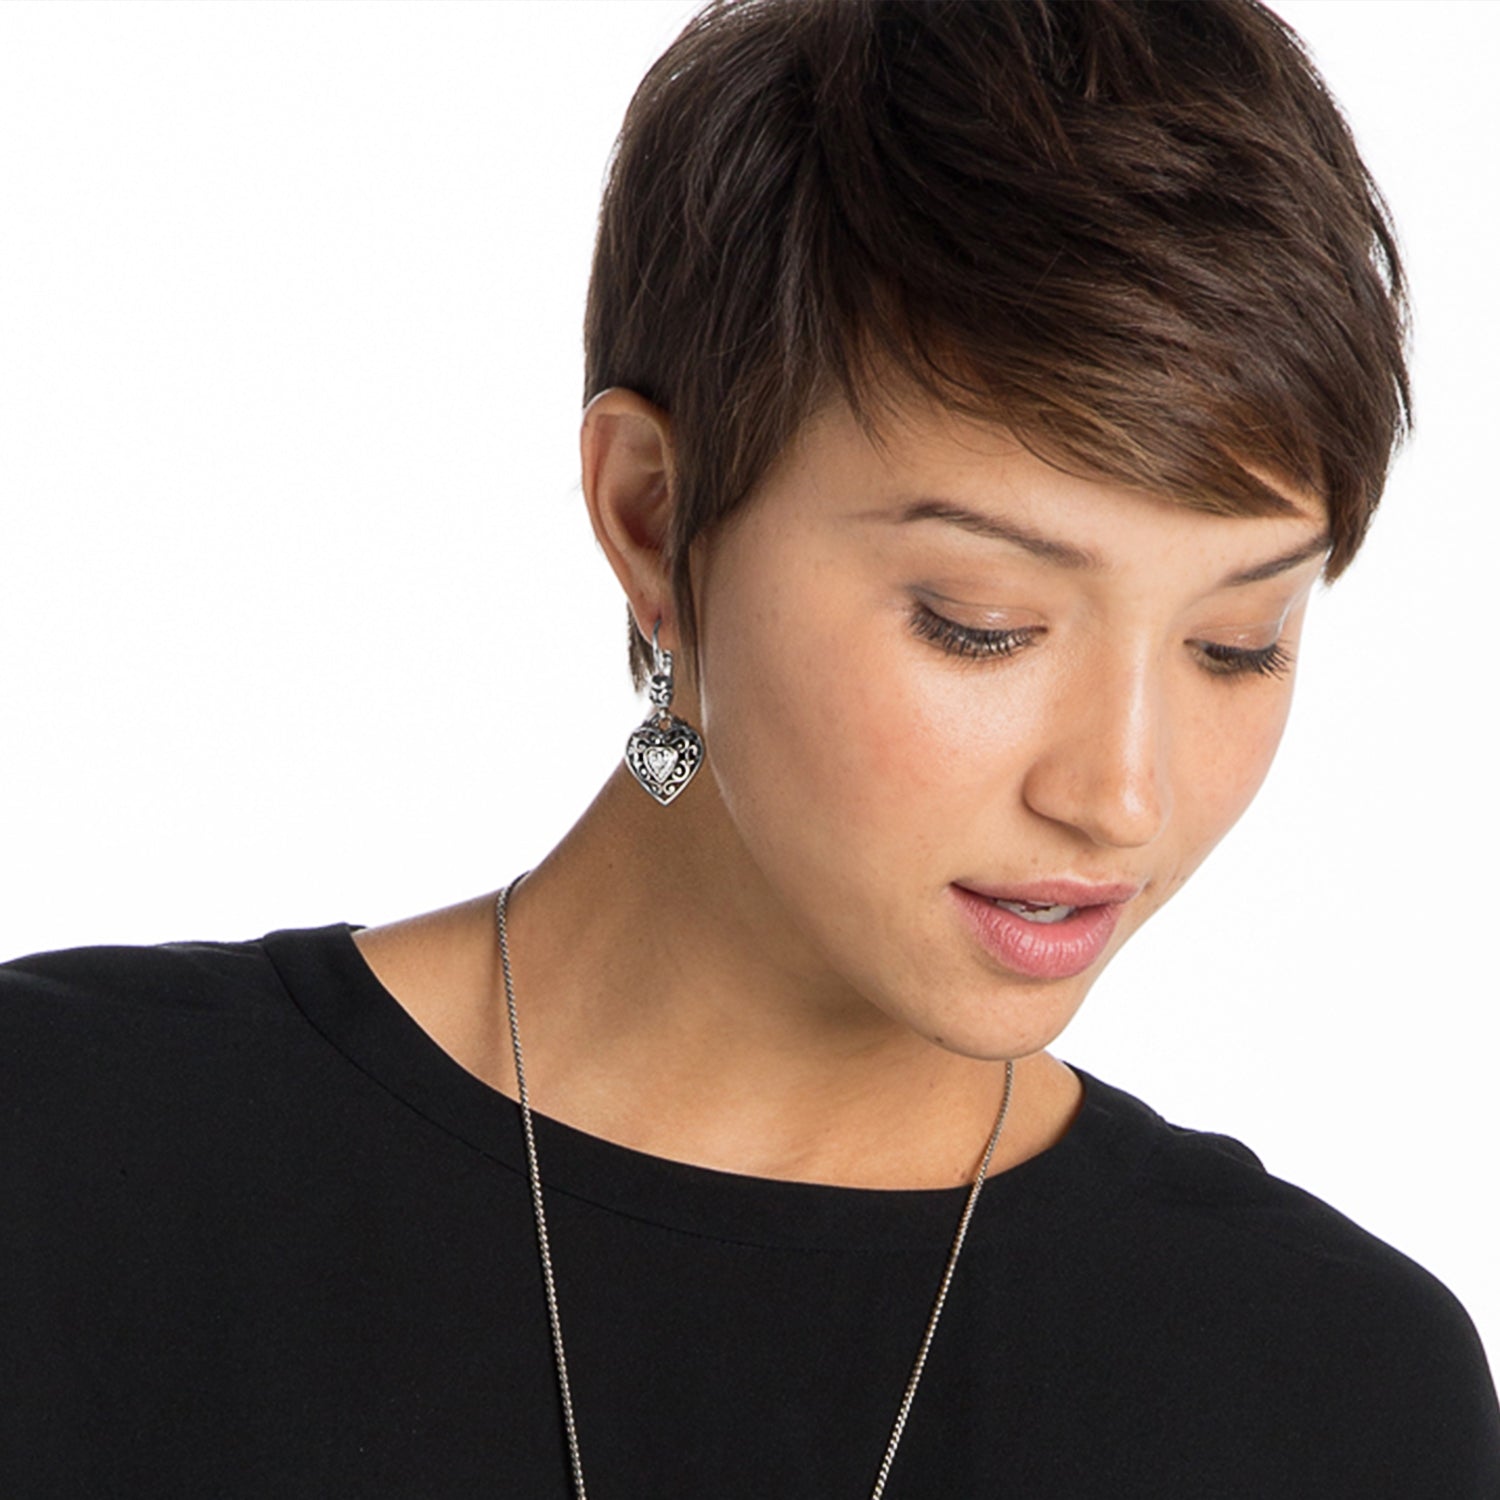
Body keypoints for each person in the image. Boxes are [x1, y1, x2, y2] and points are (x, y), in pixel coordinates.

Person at [2, 0, 1497, 1495]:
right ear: (654, 516)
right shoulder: (61, 1158)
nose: (1121, 795)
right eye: (982, 624)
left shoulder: (1335, 1397)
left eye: (1239, 641)